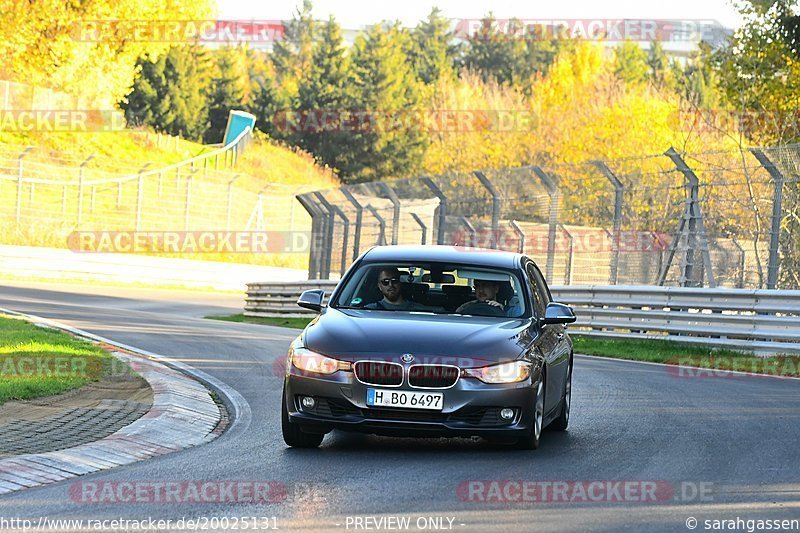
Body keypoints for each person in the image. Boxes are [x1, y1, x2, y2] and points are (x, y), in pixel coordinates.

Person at [364, 267, 430, 311]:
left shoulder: (418, 310)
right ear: (379, 286)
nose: (390, 285)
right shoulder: (368, 310)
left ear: (400, 282)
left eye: (394, 280)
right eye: (385, 282)